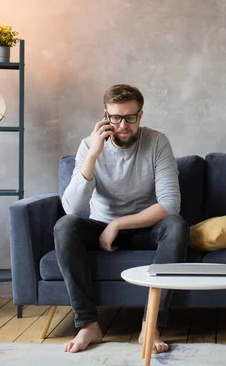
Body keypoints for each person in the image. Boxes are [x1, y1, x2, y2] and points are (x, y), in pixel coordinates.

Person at [54, 84, 189, 354]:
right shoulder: (88, 146)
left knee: (177, 226)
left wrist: (117, 224)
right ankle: (88, 325)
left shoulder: (157, 141)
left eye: (130, 117)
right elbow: (72, 207)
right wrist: (93, 154)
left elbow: (170, 204)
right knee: (65, 226)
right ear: (105, 116)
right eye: (115, 117)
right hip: (98, 226)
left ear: (140, 115)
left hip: (144, 227)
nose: (123, 125)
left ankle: (150, 325)